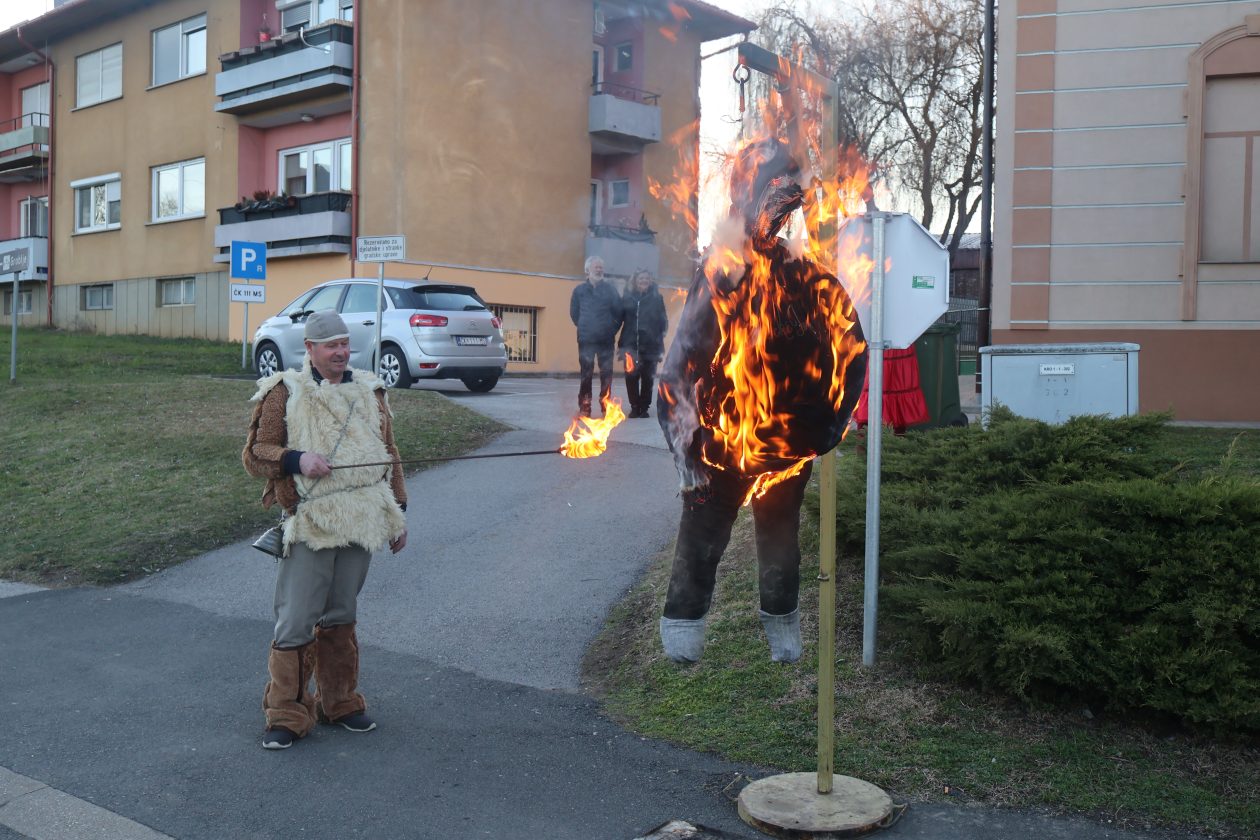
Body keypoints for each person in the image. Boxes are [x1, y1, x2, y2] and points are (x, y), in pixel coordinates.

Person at [656, 139, 868, 664]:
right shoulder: (721, 274)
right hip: (719, 446)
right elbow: (679, 367)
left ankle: (781, 628)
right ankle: (684, 630)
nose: (778, 210)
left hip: (788, 445)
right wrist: (685, 448)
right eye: (770, 193)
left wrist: (830, 427)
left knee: (779, 536)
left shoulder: (810, 279)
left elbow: (852, 350)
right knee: (701, 533)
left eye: (786, 195)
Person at [242, 310, 409, 750]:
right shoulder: (284, 391)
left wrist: (399, 511)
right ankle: (286, 714)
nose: (340, 352)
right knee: (296, 619)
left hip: (363, 519)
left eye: (344, 344)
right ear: (311, 350)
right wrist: (298, 460)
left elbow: (388, 452)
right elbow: (256, 453)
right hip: (312, 523)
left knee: (341, 616)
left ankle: (340, 703)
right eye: (330, 345)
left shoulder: (370, 391)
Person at [569, 256, 622, 417]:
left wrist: (610, 329)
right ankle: (585, 406)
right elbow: (574, 313)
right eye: (596, 267)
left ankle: (606, 406)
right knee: (586, 374)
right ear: (587, 270)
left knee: (606, 374)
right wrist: (585, 327)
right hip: (586, 339)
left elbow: (619, 313)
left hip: (606, 339)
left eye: (601, 267)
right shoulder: (579, 291)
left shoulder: (610, 290)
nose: (599, 270)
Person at [617, 269, 668, 418]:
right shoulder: (627, 298)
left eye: (646, 278)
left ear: (650, 281)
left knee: (648, 378)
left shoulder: (657, 298)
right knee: (631, 377)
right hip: (630, 345)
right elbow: (619, 319)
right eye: (641, 279)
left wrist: (659, 337)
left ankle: (644, 407)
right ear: (635, 281)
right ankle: (634, 406)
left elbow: (663, 321)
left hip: (651, 346)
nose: (644, 281)